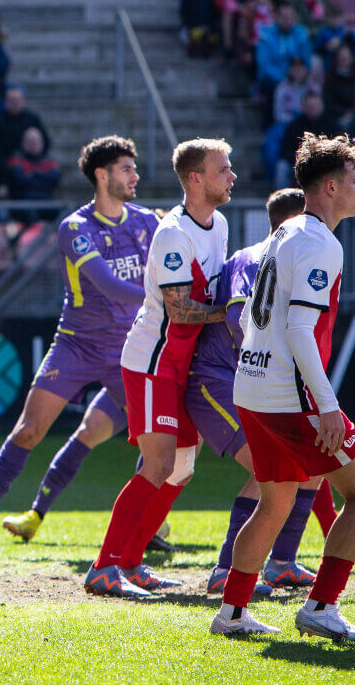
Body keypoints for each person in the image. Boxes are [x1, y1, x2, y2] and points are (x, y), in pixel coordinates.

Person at [210, 134, 355, 640]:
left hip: (252, 388)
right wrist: (327, 407)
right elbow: (297, 330)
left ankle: (233, 612)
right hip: (293, 400)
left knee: (276, 504)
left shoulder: (287, 231)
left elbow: (254, 317)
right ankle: (321, 606)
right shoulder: (318, 243)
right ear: (329, 186)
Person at [0, 136, 158, 555]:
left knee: (154, 441)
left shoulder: (147, 221)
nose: (136, 175)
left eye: (134, 168)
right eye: (126, 168)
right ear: (102, 174)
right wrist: (165, 293)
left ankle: (147, 528)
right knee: (29, 430)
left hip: (128, 350)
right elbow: (110, 286)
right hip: (75, 346)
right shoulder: (76, 227)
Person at [85, 138, 235, 598]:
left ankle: (130, 564)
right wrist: (229, 312)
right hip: (152, 363)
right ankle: (104, 568)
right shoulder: (173, 233)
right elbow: (180, 310)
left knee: (181, 469)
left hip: (182, 366)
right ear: (196, 179)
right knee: (159, 464)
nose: (232, 177)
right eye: (223, 170)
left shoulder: (220, 223)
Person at [187, 188, 322, 595]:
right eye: (311, 220)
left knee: (311, 466)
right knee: (274, 470)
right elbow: (237, 318)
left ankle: (281, 563)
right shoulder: (257, 257)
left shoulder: (287, 257)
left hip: (249, 378)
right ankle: (225, 571)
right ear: (293, 223)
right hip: (215, 380)